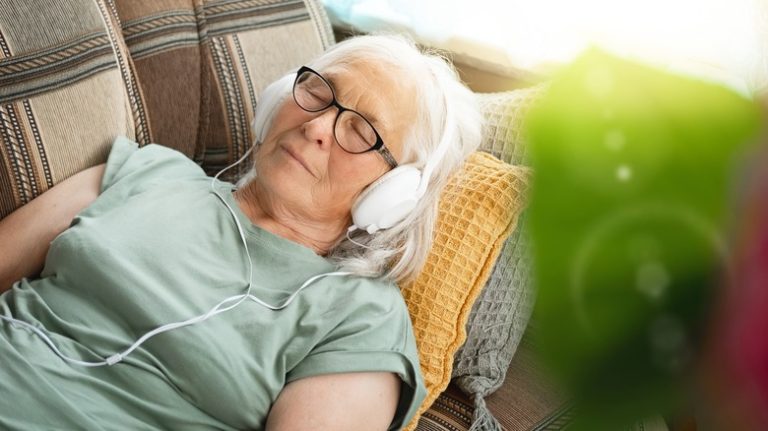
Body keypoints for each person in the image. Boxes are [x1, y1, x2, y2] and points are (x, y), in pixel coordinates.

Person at [0, 34, 481, 430]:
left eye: (361, 130)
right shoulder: (146, 171)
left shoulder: (360, 319)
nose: (316, 126)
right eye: (319, 92)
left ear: (392, 192)